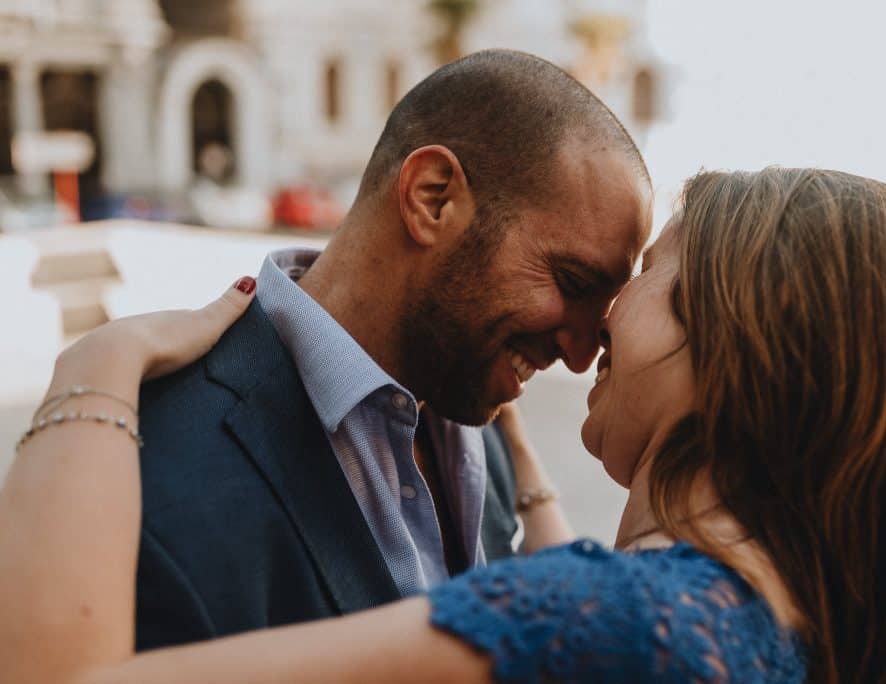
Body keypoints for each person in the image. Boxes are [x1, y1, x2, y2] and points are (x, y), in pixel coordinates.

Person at [0, 168, 886, 683]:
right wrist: (511, 450)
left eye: (646, 277)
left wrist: (96, 371)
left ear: (737, 341)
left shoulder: (627, 625)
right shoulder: (788, 613)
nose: (594, 323)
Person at [132, 49, 650, 648]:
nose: (583, 356)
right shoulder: (152, 458)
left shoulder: (477, 410)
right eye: (573, 283)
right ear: (432, 198)